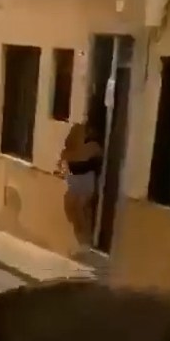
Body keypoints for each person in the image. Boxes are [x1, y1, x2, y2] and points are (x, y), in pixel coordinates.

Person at [57, 102, 104, 250]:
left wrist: (68, 156)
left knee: (80, 207)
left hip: (85, 178)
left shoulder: (93, 145)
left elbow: (81, 155)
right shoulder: (79, 132)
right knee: (71, 207)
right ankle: (82, 242)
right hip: (76, 176)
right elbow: (68, 153)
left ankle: (86, 243)